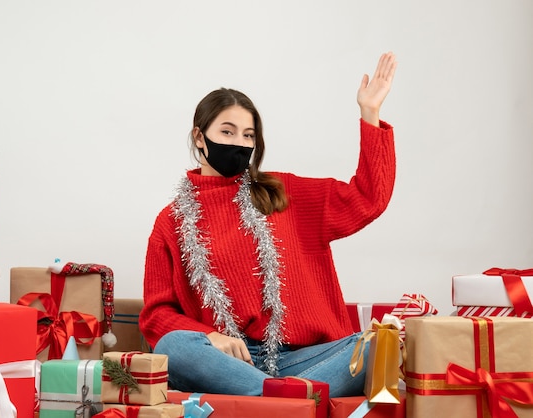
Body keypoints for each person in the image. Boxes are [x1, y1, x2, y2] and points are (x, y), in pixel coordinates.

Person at [139, 52, 398, 397]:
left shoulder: (283, 192)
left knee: (376, 346)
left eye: (248, 136)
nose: (239, 143)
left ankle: (272, 400)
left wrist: (371, 113)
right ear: (200, 137)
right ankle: (290, 401)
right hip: (228, 362)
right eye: (227, 132)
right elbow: (157, 315)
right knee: (174, 346)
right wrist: (211, 338)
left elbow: (368, 198)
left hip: (306, 359)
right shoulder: (171, 221)